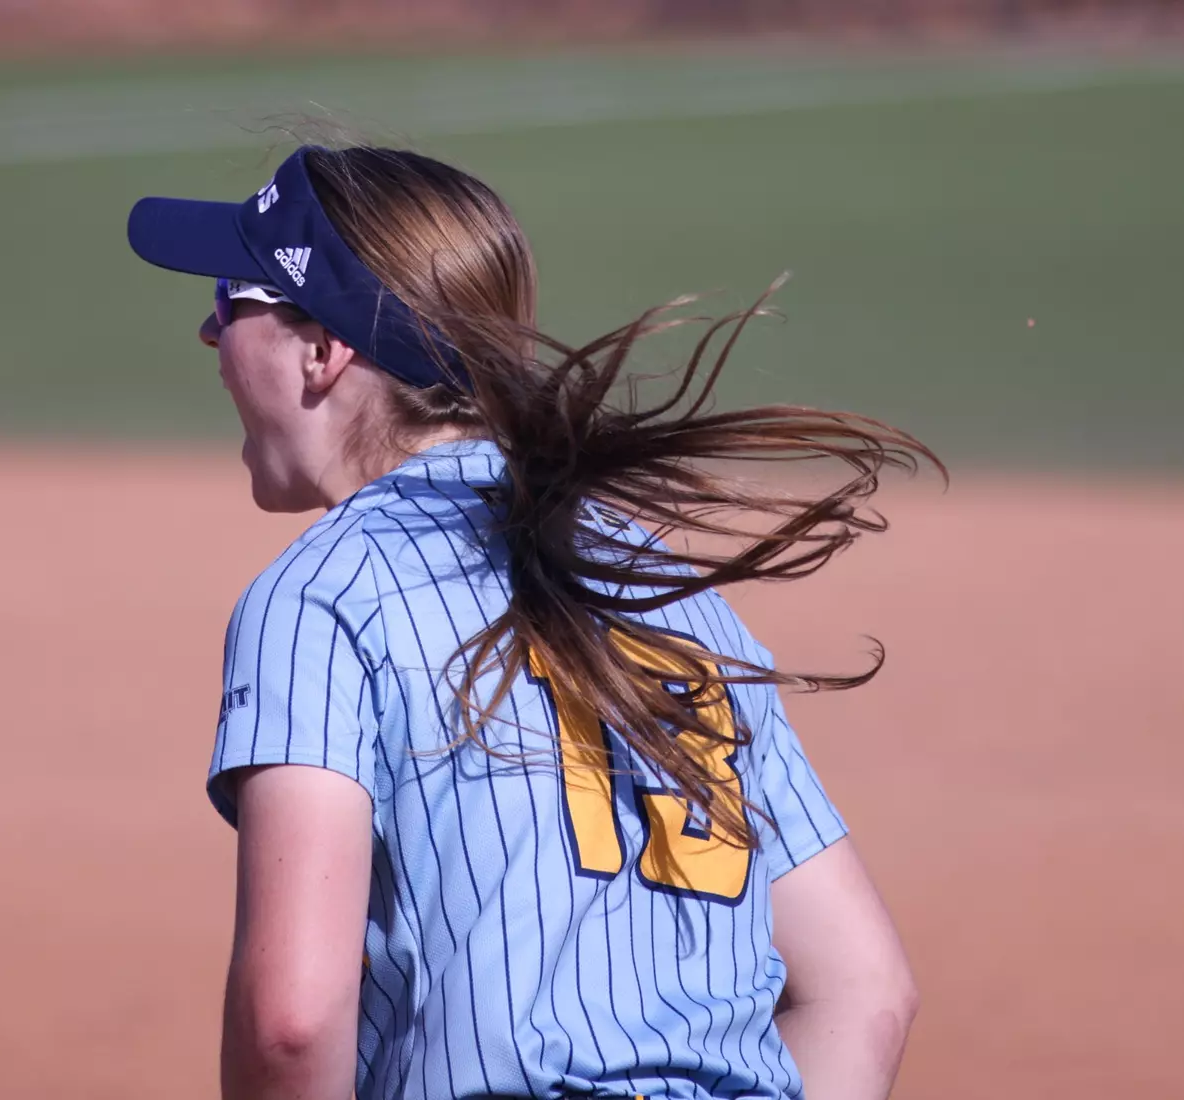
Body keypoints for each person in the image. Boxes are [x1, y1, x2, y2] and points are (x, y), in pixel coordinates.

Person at [126, 144, 932, 1100]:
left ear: (321, 348)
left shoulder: (323, 592)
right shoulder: (666, 588)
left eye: (234, 299)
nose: (210, 333)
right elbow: (865, 993)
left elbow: (293, 1026)